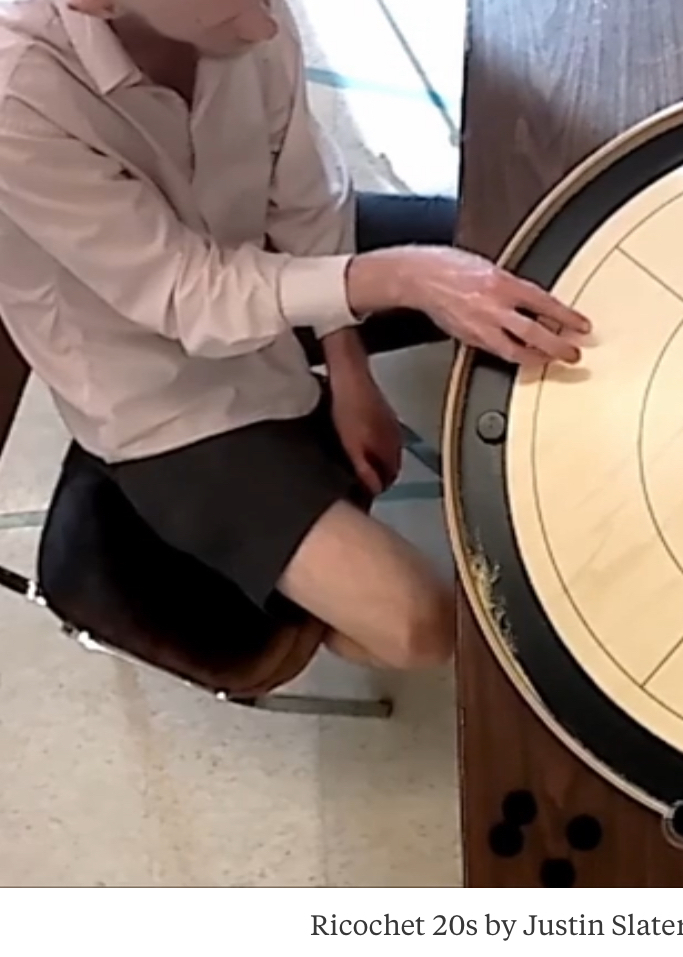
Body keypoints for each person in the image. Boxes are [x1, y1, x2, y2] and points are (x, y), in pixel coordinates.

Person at [0, 0, 591, 679]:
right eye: (230, 9)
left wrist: (348, 361)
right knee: (420, 625)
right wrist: (403, 278)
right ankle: (275, 581)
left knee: (522, 246)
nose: (269, 20)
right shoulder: (18, 96)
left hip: (253, 250)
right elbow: (185, 294)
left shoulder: (235, 12)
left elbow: (304, 188)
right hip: (156, 387)